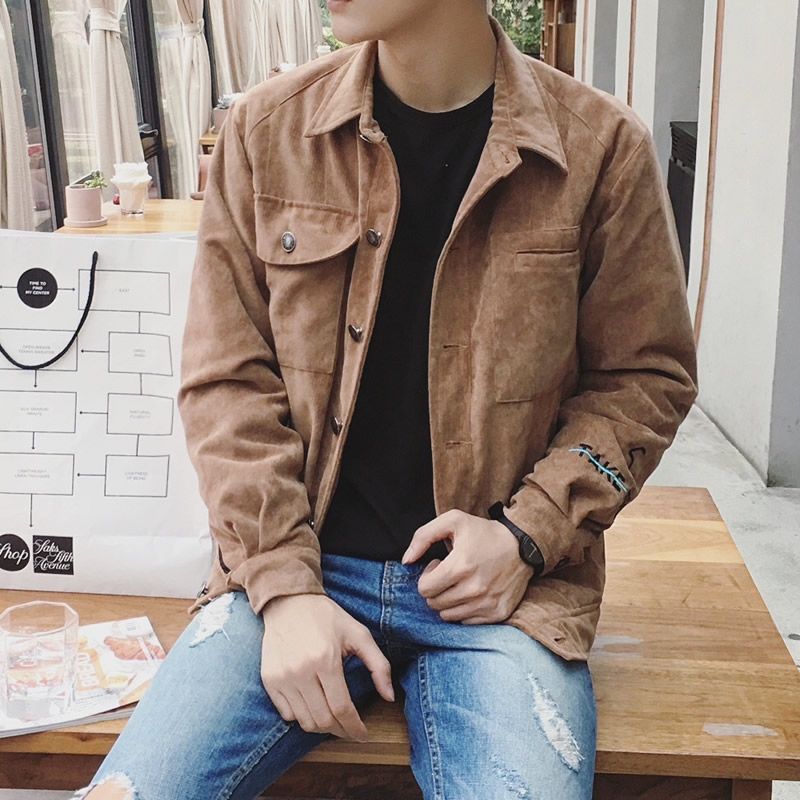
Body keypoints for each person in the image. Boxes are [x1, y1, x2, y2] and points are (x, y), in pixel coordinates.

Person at [72, 0, 698, 798]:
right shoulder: (267, 132)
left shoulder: (599, 148)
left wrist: (527, 535)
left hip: (501, 599)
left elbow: (645, 377)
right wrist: (284, 584)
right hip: (296, 575)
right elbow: (226, 379)